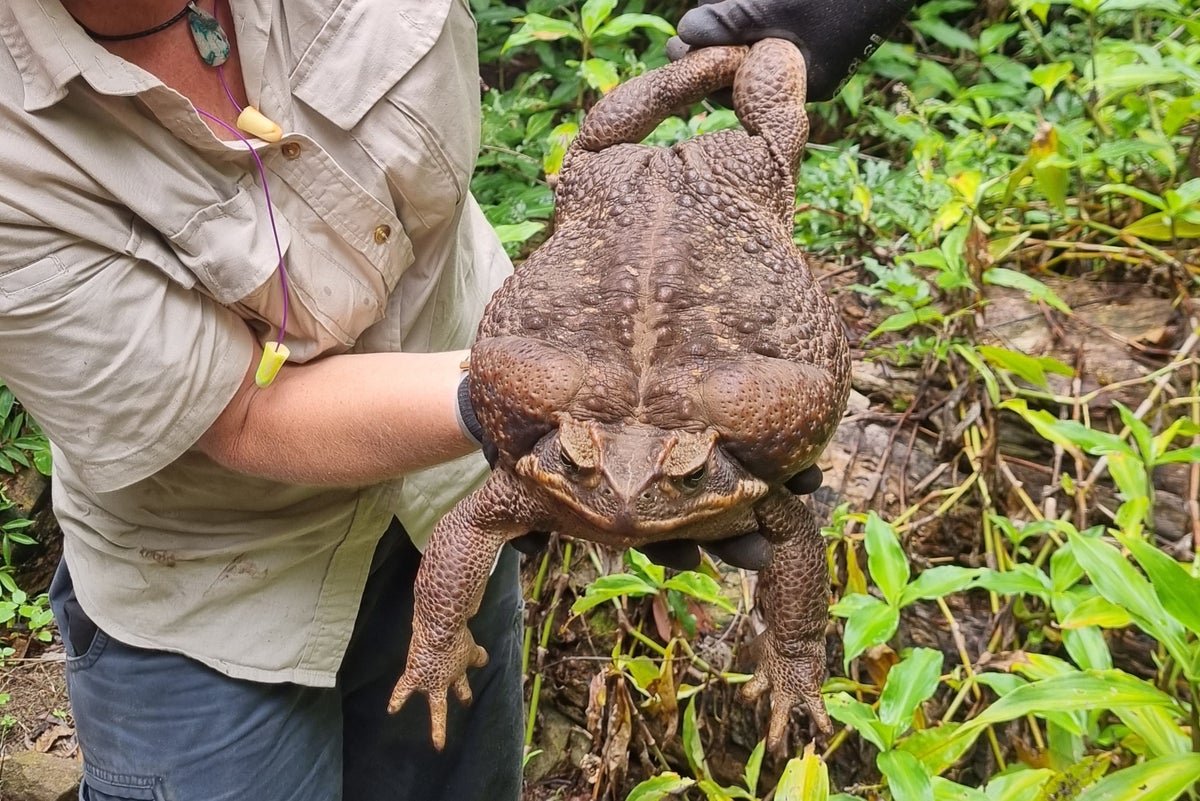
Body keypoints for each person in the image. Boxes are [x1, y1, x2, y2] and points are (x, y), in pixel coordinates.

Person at [0, 0, 912, 798]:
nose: (628, 502)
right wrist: (520, 420)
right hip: (216, 586)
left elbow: (789, 532)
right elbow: (239, 412)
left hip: (482, 457)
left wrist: (774, 44)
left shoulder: (733, 200)